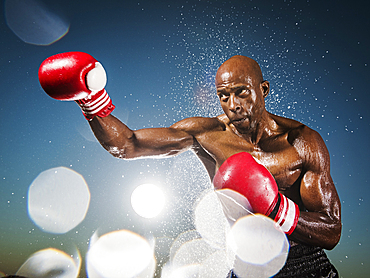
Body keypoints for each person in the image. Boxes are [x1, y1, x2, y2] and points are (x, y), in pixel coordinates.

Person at [39, 52, 341, 277]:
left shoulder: (302, 142)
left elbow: (331, 232)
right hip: (248, 266)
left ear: (263, 90)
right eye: (224, 96)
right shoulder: (206, 134)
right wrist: (92, 101)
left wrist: (275, 208)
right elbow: (126, 145)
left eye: (242, 93)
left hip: (306, 264)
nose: (233, 105)